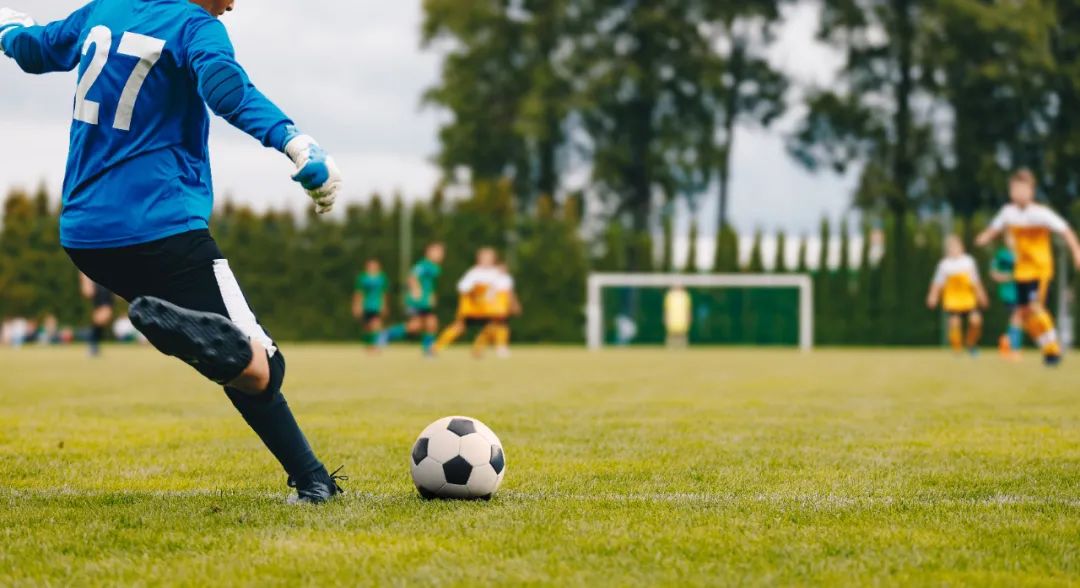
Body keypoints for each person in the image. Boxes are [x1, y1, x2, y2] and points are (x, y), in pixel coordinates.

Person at [0, 0, 345, 502]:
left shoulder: (105, 10)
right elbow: (226, 88)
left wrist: (7, 28)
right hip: (162, 228)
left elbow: (36, 49)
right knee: (261, 364)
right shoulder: (192, 26)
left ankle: (314, 479)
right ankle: (306, 474)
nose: (234, 3)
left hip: (87, 236)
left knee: (232, 354)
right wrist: (295, 141)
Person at [975, 169, 1080, 366]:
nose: (1019, 193)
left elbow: (1066, 230)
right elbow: (994, 228)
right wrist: (984, 237)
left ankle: (1054, 346)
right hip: (1021, 272)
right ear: (1010, 191)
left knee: (1035, 307)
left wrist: (1076, 251)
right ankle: (1048, 350)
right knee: (1024, 314)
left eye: (1024, 189)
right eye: (1015, 189)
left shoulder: (1040, 214)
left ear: (1032, 191)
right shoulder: (1008, 212)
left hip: (1039, 270)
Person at [926, 236, 989, 355]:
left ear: (962, 248)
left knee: (976, 321)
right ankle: (957, 347)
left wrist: (982, 295)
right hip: (953, 299)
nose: (953, 250)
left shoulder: (968, 261)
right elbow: (937, 283)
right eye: (951, 247)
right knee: (954, 324)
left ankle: (971, 343)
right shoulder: (944, 265)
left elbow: (975, 281)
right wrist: (932, 296)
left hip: (968, 298)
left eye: (956, 247)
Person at [379, 242, 445, 356]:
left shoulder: (434, 267)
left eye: (442, 252)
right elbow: (412, 276)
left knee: (421, 325)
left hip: (424, 301)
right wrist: (416, 290)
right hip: (417, 301)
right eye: (437, 251)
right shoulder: (424, 264)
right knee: (425, 323)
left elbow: (429, 285)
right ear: (429, 251)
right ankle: (388, 334)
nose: (441, 254)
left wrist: (432, 295)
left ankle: (388, 334)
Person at [434, 248, 499, 355]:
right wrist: (473, 290)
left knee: (490, 327)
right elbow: (462, 287)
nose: (486, 260)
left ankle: (477, 349)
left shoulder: (494, 273)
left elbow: (494, 291)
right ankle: (436, 347)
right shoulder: (474, 272)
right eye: (484, 258)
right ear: (479, 259)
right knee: (459, 327)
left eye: (489, 258)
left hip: (484, 308)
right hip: (470, 307)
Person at [989, 233, 1022, 358]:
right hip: (1009, 292)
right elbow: (993, 273)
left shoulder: (1022, 252)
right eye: (1009, 237)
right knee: (1016, 316)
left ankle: (1006, 341)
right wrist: (1008, 276)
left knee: (1019, 318)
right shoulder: (1001, 255)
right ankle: (1014, 348)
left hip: (1022, 290)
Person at [352, 259, 388, 352]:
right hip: (366, 305)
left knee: (376, 324)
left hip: (377, 305)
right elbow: (359, 293)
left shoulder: (382, 278)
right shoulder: (362, 278)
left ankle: (376, 346)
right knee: (367, 326)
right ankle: (368, 346)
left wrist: (384, 305)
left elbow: (384, 293)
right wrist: (357, 305)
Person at [80, 272, 115, 357]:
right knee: (102, 314)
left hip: (106, 280)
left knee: (104, 315)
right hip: (98, 282)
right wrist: (85, 280)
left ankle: (93, 344)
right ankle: (91, 344)